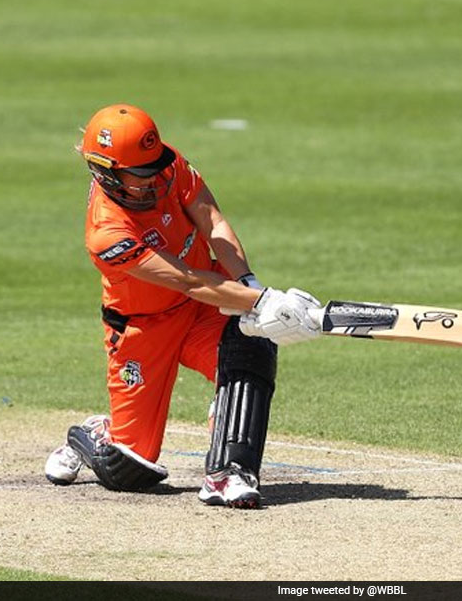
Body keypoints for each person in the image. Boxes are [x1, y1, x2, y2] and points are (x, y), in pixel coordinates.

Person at [44, 104, 322, 509]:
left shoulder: (165, 163)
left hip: (201, 312)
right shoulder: (108, 232)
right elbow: (186, 279)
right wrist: (264, 302)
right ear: (105, 172)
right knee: (131, 469)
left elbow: (212, 220)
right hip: (143, 327)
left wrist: (250, 287)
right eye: (139, 176)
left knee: (252, 347)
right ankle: (95, 436)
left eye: (153, 167)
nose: (154, 179)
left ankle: (228, 473)